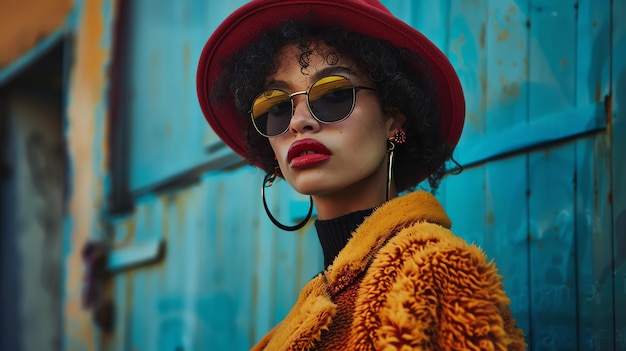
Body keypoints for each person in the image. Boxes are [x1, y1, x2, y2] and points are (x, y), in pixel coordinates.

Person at [196, 0, 526, 349]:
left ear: (393, 120)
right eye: (276, 108)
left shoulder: (435, 273)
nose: (298, 121)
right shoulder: (296, 320)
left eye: (334, 94)